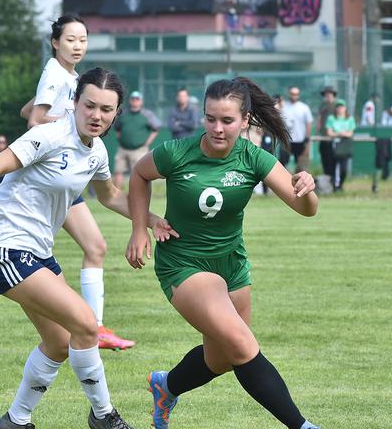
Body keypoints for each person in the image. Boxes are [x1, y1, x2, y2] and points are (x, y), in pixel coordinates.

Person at [0, 68, 175, 429]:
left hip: (37, 253)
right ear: (75, 103)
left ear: (116, 113)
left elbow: (111, 195)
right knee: (85, 324)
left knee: (59, 342)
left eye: (106, 110)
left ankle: (15, 421)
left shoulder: (96, 150)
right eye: (90, 106)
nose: (97, 116)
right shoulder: (49, 135)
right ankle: (104, 418)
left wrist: (151, 219)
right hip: (5, 249)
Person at [125, 76, 321, 429]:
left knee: (223, 359)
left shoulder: (253, 157)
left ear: (245, 121)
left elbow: (306, 209)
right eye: (210, 118)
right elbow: (139, 176)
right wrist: (141, 227)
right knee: (244, 346)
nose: (217, 128)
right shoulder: (176, 152)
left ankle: (166, 386)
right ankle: (303, 426)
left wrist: (306, 188)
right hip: (183, 263)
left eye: (227, 120)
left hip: (232, 266)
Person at [0, 15, 134, 362]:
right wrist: (68, 129)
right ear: (55, 43)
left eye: (83, 40)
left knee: (94, 246)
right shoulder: (56, 73)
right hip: (49, 169)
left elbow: (28, 108)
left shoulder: (73, 79)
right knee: (8, 243)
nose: (78, 45)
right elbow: (34, 120)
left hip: (68, 168)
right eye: (71, 39)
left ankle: (92, 326)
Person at [112, 91, 160, 188]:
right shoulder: (123, 114)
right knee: (118, 171)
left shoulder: (147, 114)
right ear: (130, 101)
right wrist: (121, 139)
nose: (135, 101)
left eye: (137, 99)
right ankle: (116, 195)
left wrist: (147, 143)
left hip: (139, 150)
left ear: (141, 101)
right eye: (133, 99)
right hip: (123, 148)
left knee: (139, 174)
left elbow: (156, 128)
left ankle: (136, 196)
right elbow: (117, 128)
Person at [280, 86, 313, 172]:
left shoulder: (304, 108)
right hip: (286, 140)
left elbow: (309, 122)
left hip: (300, 140)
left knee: (301, 165)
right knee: (282, 163)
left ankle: (299, 183)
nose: (294, 96)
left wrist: (307, 137)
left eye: (296, 94)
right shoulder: (284, 106)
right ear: (289, 94)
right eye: (292, 94)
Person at [326, 98, 356, 191]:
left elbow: (350, 133)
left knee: (344, 169)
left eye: (341, 106)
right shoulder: (331, 118)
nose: (340, 108)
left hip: (345, 145)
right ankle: (335, 187)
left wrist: (344, 134)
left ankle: (340, 185)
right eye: (338, 106)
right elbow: (329, 133)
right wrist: (339, 134)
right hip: (335, 145)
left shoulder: (349, 118)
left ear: (345, 108)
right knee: (334, 167)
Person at [317, 86, 338, 181]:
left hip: (334, 137)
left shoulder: (337, 105)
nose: (327, 95)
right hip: (324, 136)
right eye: (326, 94)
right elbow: (320, 117)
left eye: (329, 93)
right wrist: (318, 127)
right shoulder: (323, 104)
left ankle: (334, 180)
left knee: (333, 160)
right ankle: (327, 179)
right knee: (324, 157)